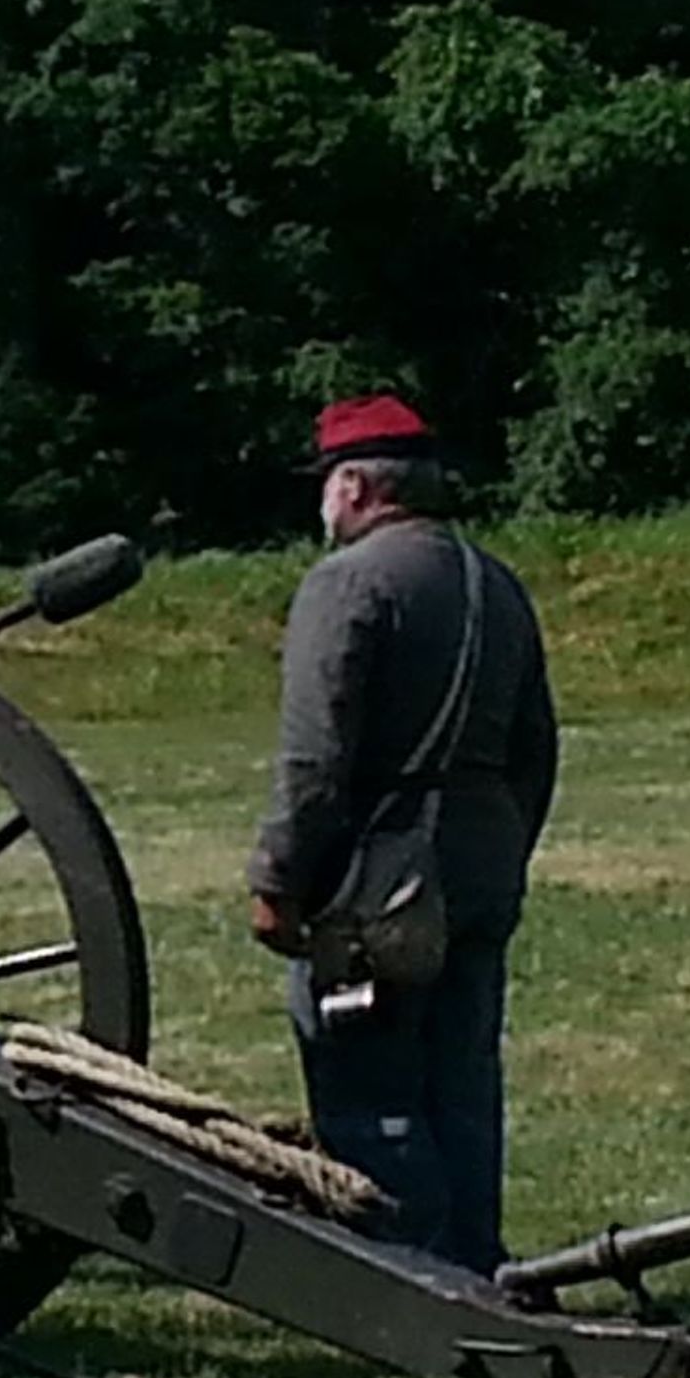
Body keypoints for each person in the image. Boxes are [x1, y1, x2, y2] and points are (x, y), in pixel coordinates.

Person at [249, 394, 557, 1277]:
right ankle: (475, 1254)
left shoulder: (345, 584)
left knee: (365, 1077)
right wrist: (504, 849)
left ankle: (407, 1271)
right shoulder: (495, 581)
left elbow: (315, 756)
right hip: (482, 858)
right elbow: (536, 747)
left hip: (381, 876)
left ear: (353, 487)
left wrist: (278, 880)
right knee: (461, 1079)